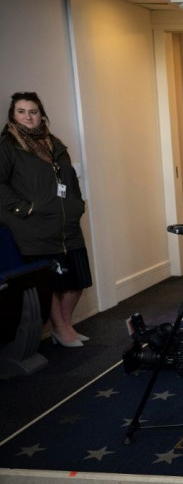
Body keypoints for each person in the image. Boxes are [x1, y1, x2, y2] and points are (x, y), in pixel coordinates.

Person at [0, 92, 92, 348]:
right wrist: (23, 209)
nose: (28, 116)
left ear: (41, 114)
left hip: (67, 225)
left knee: (77, 280)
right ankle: (62, 329)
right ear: (13, 115)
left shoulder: (54, 143)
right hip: (34, 228)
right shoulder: (8, 145)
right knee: (49, 283)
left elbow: (70, 180)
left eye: (33, 111)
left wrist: (77, 205)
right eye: (21, 111)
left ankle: (64, 326)